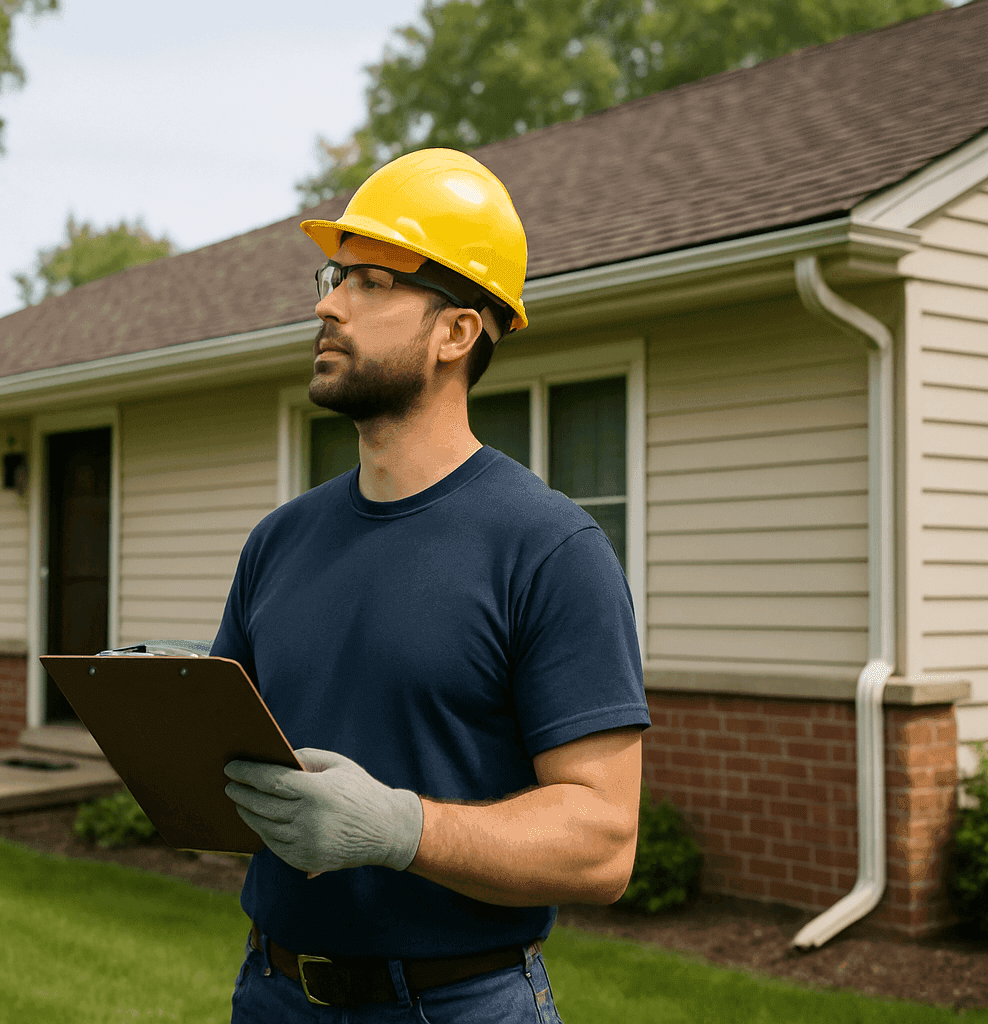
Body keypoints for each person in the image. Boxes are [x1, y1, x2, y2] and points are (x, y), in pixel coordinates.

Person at [214, 148, 650, 1023]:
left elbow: (603, 845)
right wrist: (167, 711)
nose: (327, 304)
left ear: (457, 332)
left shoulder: (550, 548)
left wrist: (401, 830)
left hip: (459, 1004)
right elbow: (229, 781)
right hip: (273, 993)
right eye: (335, 275)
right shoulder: (279, 540)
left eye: (371, 282)